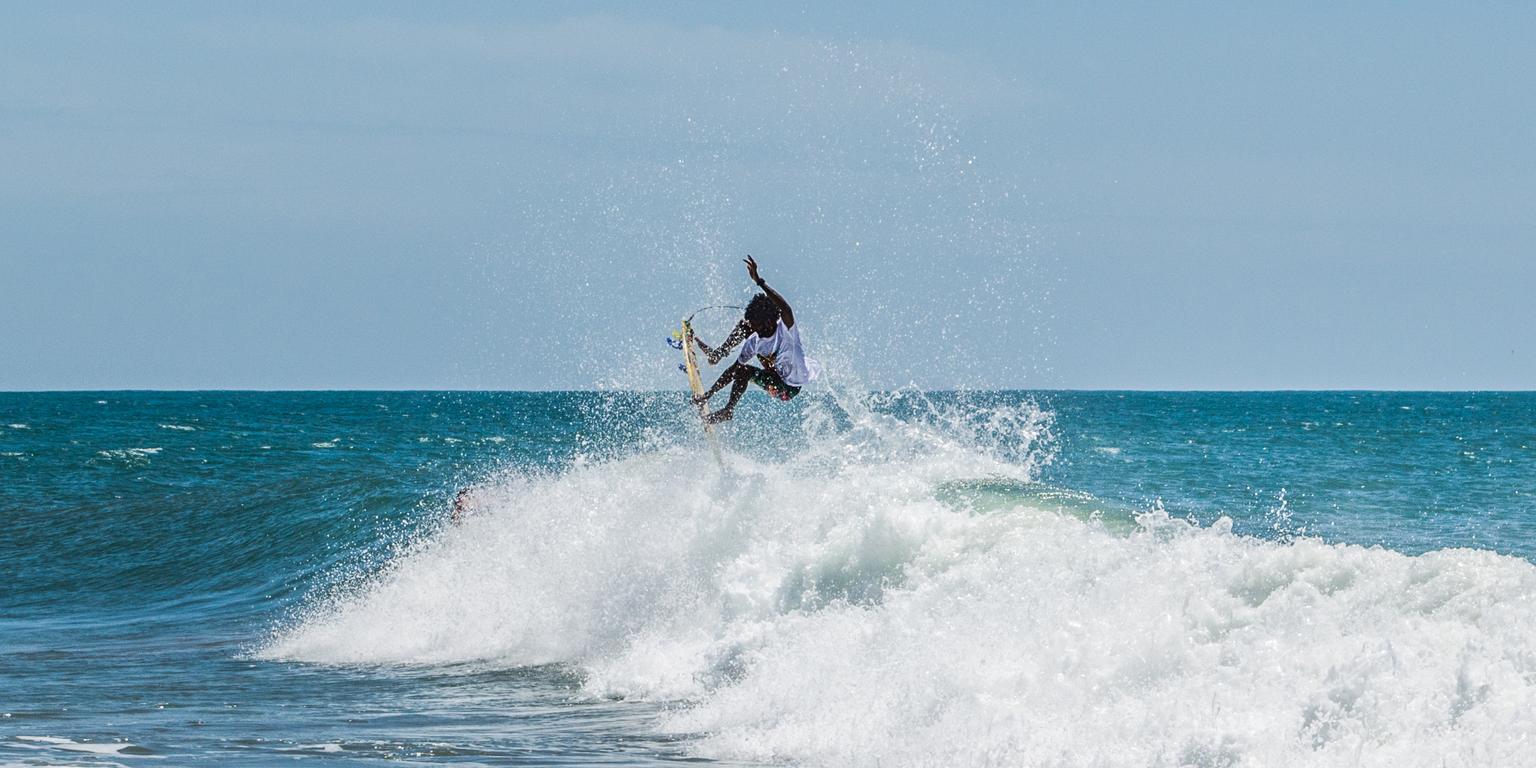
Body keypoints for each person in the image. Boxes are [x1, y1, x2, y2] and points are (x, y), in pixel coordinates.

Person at [692, 256, 821, 423]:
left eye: (757, 326)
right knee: (742, 340)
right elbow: (733, 370)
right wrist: (707, 395)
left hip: (788, 388)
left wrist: (759, 281)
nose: (754, 330)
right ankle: (718, 354)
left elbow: (785, 307)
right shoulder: (753, 341)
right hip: (774, 371)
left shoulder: (787, 330)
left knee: (745, 371)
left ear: (768, 323)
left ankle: (727, 410)